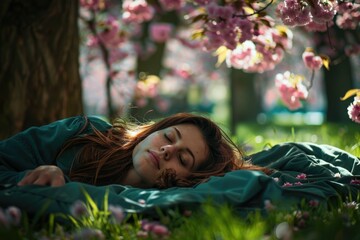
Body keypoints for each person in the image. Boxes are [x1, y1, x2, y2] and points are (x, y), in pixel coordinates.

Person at [0, 113, 269, 189]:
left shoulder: (161, 205)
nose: (166, 150)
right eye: (168, 136)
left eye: (183, 158)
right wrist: (32, 178)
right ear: (153, 131)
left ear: (191, 178)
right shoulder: (83, 132)